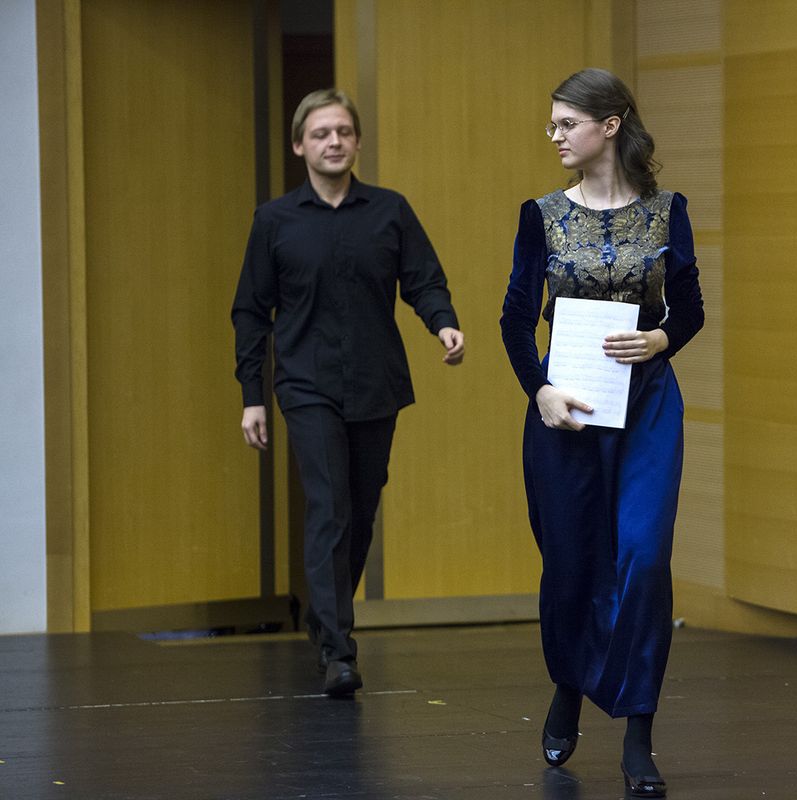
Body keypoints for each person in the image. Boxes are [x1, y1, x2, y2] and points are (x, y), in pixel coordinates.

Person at [500, 68, 703, 798]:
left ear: (609, 125)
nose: (554, 135)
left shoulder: (668, 211)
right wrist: (541, 390)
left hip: (646, 404)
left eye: (566, 123)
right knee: (572, 561)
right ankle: (568, 684)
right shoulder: (541, 215)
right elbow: (515, 319)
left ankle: (639, 728)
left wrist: (662, 340)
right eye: (552, 124)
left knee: (643, 558)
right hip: (568, 407)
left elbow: (691, 308)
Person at [232, 88, 464, 697]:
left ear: (357, 141)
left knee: (359, 514)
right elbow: (251, 312)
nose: (333, 142)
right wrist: (252, 395)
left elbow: (423, 279)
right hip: (305, 385)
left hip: (375, 381)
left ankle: (323, 616)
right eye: (320, 134)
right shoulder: (274, 221)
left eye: (342, 132)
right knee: (329, 506)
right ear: (299, 146)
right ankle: (338, 650)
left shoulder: (389, 211)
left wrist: (442, 322)